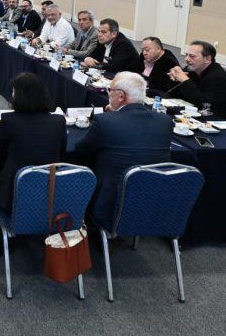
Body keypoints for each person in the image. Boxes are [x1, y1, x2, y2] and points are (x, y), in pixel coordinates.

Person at [72, 72, 173, 227]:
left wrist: (111, 117)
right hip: (152, 200)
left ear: (121, 96)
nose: (108, 94)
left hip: (112, 203)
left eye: (110, 90)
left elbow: (80, 150)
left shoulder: (105, 121)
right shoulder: (165, 122)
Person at [0, 73, 66, 211]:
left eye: (14, 91)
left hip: (14, 194)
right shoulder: (58, 121)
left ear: (19, 96)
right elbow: (62, 152)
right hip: (50, 195)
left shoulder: (9, 120)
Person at [166, 41, 226, 123]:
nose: (186, 59)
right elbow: (174, 94)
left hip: (222, 122)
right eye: (186, 55)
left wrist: (185, 80)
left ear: (207, 59)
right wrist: (175, 78)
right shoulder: (192, 69)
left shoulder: (219, 78)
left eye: (192, 56)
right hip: (200, 116)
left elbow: (204, 104)